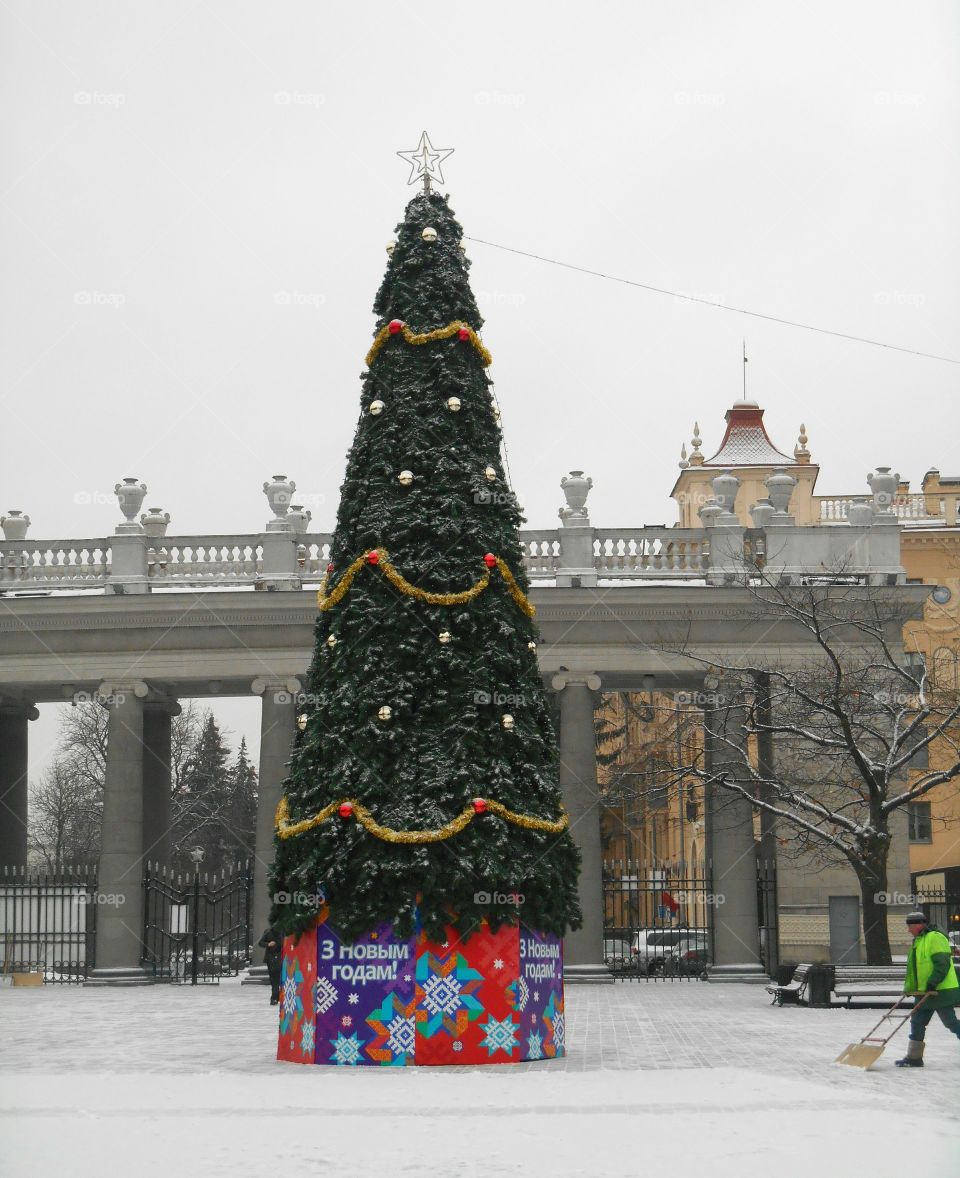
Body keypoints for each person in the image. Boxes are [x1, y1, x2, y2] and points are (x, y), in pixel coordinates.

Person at [895, 910, 960, 1068]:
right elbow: (916, 969)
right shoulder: (919, 940)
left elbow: (942, 964)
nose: (908, 930)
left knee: (950, 1022)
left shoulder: (935, 938)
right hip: (926, 991)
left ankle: (914, 1057)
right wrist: (911, 988)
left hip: (940, 991)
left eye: (909, 926)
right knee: (917, 1022)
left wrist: (932, 983)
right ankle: (914, 1057)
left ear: (918, 925)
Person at [258, 926, 283, 1006]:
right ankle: (275, 997)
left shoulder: (284, 932)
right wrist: (268, 944)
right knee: (274, 979)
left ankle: (275, 998)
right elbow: (260, 943)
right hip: (271, 958)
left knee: (275, 980)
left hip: (281, 958)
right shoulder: (268, 932)